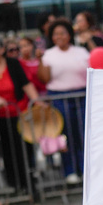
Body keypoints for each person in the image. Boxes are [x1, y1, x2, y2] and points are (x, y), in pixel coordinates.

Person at [0, 37, 44, 192]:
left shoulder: (14, 64)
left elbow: (26, 84)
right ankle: (14, 184)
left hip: (19, 111)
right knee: (7, 150)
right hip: (0, 115)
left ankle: (28, 182)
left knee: (23, 147)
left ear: (2, 49)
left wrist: (36, 100)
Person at [39, 19, 90, 184]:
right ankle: (70, 170)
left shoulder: (82, 52)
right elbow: (44, 79)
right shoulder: (48, 55)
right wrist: (40, 61)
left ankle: (87, 171)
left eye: (62, 33)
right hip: (59, 97)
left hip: (82, 96)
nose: (59, 36)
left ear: (69, 35)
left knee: (84, 134)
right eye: (55, 34)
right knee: (65, 137)